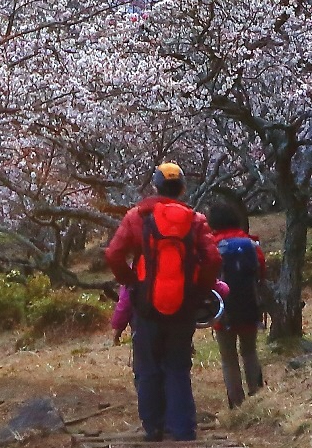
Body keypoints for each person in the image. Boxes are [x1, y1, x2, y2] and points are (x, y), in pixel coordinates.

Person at [105, 162, 218, 443]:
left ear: (154, 186)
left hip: (145, 305)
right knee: (178, 366)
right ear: (181, 189)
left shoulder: (137, 216)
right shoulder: (194, 219)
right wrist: (198, 289)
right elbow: (214, 259)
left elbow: (114, 254)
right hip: (183, 305)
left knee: (147, 368)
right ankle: (183, 430)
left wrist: (132, 283)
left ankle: (153, 428)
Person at [203, 195, 265, 410]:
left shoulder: (212, 245)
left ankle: (236, 404)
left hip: (223, 311)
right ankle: (258, 396)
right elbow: (261, 271)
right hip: (250, 305)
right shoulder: (250, 243)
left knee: (228, 358)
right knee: (250, 351)